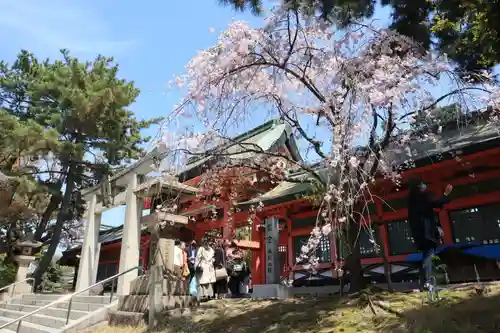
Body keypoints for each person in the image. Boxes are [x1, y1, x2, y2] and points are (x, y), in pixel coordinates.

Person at [408, 178, 453, 290]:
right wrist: (445, 195)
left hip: (418, 234)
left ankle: (425, 282)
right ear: (419, 186)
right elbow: (436, 204)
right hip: (427, 233)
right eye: (423, 184)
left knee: (425, 256)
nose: (425, 186)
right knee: (429, 256)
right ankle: (428, 282)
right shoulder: (423, 197)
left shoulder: (411, 201)